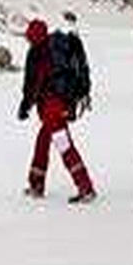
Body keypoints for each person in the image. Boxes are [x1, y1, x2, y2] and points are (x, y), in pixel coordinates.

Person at [17, 18, 97, 204]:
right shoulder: (56, 48)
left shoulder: (37, 54)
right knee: (43, 141)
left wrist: (25, 105)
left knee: (63, 145)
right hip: (59, 105)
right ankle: (36, 183)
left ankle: (85, 187)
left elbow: (32, 84)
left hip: (52, 107)